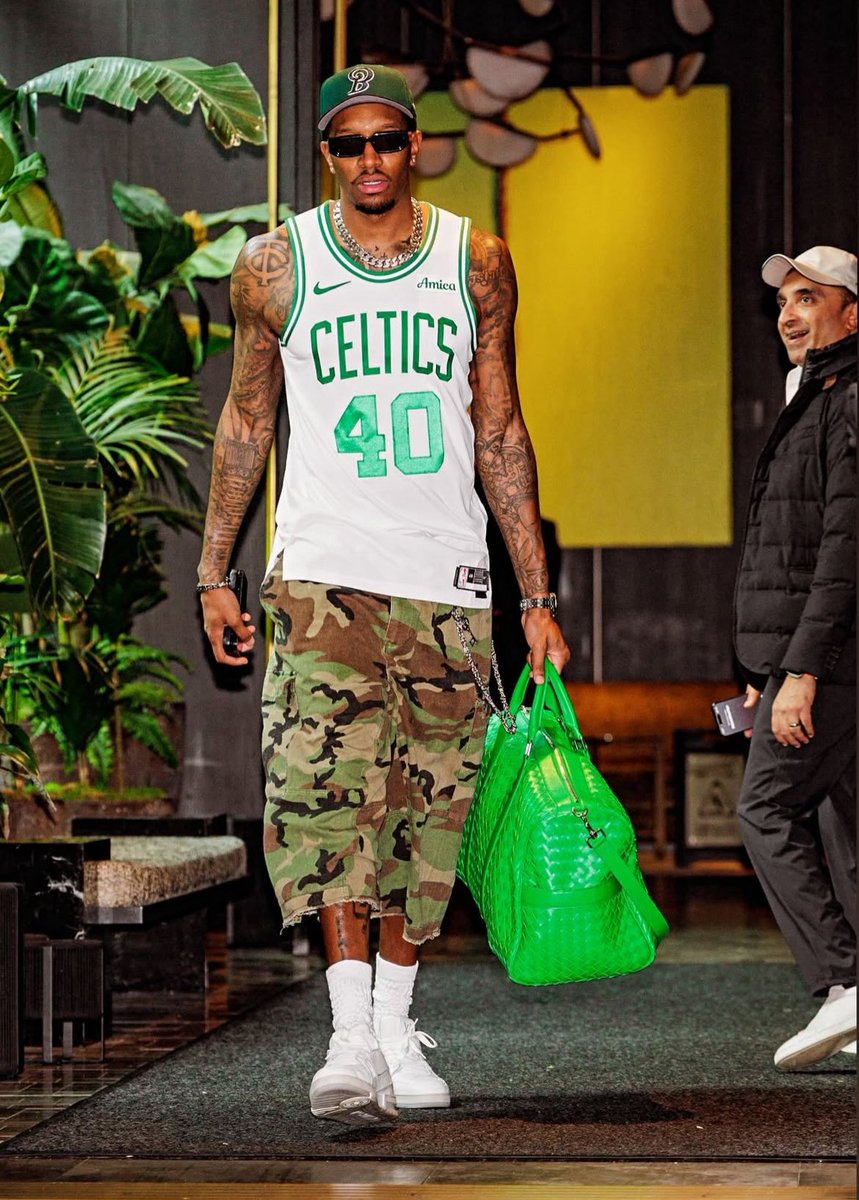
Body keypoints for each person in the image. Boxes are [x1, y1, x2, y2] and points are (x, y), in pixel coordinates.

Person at [197, 63, 569, 1125]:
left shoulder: (475, 259)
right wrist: (214, 571)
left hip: (446, 580)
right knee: (322, 802)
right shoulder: (274, 265)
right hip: (321, 576)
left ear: (414, 145)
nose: (370, 160)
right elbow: (246, 422)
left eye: (387, 140)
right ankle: (349, 1034)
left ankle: (397, 1026)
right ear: (327, 153)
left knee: (431, 809)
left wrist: (534, 595)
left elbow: (500, 426)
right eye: (349, 144)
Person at [734, 245, 857, 1070]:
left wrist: (800, 670)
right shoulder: (811, 394)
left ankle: (842, 981)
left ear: (852, 313)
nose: (788, 312)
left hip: (829, 656)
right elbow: (783, 544)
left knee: (764, 810)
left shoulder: (846, 398)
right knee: (841, 827)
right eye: (783, 299)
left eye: (809, 297)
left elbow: (843, 548)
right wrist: (761, 668)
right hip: (811, 653)